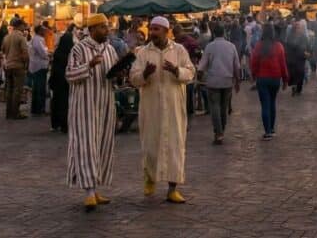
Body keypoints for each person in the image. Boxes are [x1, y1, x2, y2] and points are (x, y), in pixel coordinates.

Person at [129, 16, 195, 202]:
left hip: (173, 107)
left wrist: (176, 71)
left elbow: (190, 72)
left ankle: (172, 189)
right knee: (151, 144)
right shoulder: (142, 53)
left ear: (167, 31)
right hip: (151, 108)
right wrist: (145, 74)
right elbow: (133, 78)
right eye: (152, 29)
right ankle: (150, 177)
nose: (153, 33)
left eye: (157, 29)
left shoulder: (179, 50)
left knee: (174, 146)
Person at [66, 14, 120, 211]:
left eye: (107, 27)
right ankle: (88, 192)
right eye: (104, 27)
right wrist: (89, 65)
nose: (107, 30)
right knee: (87, 145)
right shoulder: (79, 48)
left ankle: (96, 189)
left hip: (105, 103)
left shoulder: (110, 49)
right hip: (85, 105)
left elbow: (112, 75)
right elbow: (69, 74)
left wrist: (119, 73)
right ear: (93, 29)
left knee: (102, 146)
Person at [197, 21, 240, 145]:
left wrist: (199, 74)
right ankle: (222, 130)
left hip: (213, 81)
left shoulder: (210, 46)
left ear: (214, 34)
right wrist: (237, 81)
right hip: (227, 81)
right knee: (224, 106)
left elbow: (203, 64)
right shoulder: (231, 46)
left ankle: (218, 132)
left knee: (215, 106)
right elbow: (236, 65)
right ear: (224, 33)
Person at [250, 23, 288, 140]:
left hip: (262, 78)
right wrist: (285, 79)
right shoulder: (279, 46)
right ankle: (271, 128)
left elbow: (254, 63)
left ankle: (267, 132)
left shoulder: (258, 46)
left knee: (265, 105)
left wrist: (253, 75)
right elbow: (283, 64)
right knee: (272, 103)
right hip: (275, 78)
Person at [49, 23, 76, 133]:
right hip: (64, 82)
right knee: (65, 103)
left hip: (56, 82)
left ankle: (55, 124)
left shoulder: (58, 52)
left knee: (56, 103)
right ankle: (65, 125)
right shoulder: (69, 55)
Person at [2, 19, 30, 119]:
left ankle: (8, 113)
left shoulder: (6, 37)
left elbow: (3, 50)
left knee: (9, 89)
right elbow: (25, 53)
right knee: (17, 90)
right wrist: (26, 64)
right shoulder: (21, 38)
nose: (25, 28)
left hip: (8, 66)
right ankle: (15, 113)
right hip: (18, 66)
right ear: (19, 26)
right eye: (24, 25)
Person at [29, 25, 50, 116]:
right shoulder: (38, 40)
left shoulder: (39, 39)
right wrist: (49, 54)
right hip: (39, 67)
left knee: (39, 88)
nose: (45, 32)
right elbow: (43, 53)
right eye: (44, 30)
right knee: (39, 89)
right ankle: (39, 109)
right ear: (40, 31)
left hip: (39, 66)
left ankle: (38, 108)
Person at [284, 20, 309, 96]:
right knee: (292, 74)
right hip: (292, 58)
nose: (299, 29)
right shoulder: (290, 36)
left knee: (300, 73)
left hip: (301, 58)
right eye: (297, 27)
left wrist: (308, 53)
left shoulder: (304, 37)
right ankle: (294, 87)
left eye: (300, 28)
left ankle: (298, 89)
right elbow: (287, 46)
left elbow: (308, 47)